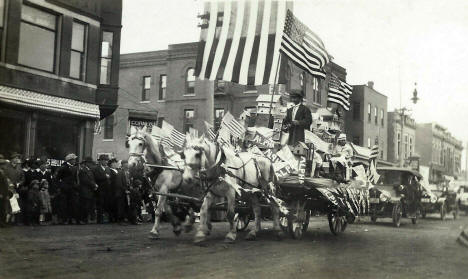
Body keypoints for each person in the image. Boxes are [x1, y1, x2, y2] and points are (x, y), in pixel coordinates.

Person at [55, 153, 80, 224]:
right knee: (64, 205)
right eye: (73, 159)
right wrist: (60, 186)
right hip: (64, 189)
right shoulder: (63, 167)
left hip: (72, 189)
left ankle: (70, 219)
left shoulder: (75, 167)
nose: (75, 161)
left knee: (72, 204)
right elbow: (57, 178)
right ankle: (64, 219)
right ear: (69, 160)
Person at [77, 157, 98, 224]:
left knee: (88, 206)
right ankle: (83, 219)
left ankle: (85, 219)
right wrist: (94, 185)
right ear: (87, 163)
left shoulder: (89, 170)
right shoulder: (83, 171)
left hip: (89, 191)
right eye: (90, 163)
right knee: (84, 206)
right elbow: (85, 180)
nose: (91, 165)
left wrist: (94, 184)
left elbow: (91, 180)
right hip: (85, 191)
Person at [93, 154, 112, 224]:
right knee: (100, 205)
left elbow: (110, 179)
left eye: (107, 160)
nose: (106, 162)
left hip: (107, 190)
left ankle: (104, 219)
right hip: (100, 190)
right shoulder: (96, 168)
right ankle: (99, 219)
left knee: (105, 204)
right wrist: (105, 177)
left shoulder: (108, 169)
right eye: (104, 160)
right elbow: (96, 178)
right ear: (100, 161)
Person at [0, 155, 13, 227]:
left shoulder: (3, 173)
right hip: (1, 193)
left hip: (4, 193)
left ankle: (2, 222)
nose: (4, 166)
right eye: (2, 164)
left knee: (3, 208)